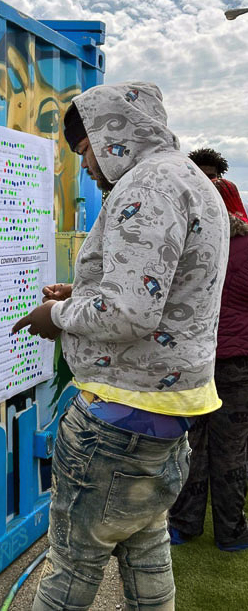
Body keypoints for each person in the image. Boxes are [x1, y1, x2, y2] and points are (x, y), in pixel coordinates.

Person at [11, 82, 230, 611]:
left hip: (116, 421)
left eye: (84, 150)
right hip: (165, 417)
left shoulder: (145, 187)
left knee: (70, 568)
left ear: (114, 136)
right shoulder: (189, 179)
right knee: (146, 552)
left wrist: (57, 315)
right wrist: (84, 293)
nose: (85, 165)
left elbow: (130, 311)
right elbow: (166, 292)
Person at [168, 178, 248, 552]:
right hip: (238, 365)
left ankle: (184, 525)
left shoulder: (191, 245)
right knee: (232, 447)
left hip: (195, 360)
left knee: (192, 444)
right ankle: (231, 532)